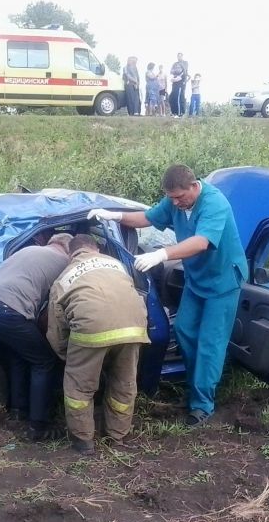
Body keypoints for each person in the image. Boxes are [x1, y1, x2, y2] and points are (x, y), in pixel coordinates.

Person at [89, 164, 247, 427]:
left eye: (180, 197)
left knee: (210, 342)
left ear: (194, 187)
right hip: (197, 280)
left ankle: (202, 406)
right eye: (171, 198)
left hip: (223, 282)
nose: (175, 202)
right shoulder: (175, 202)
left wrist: (161, 254)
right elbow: (147, 218)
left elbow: (201, 242)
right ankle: (199, 383)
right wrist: (113, 215)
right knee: (184, 330)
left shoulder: (214, 203)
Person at [46, 235, 149, 455]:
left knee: (79, 388)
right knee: (124, 384)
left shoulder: (64, 276)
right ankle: (117, 435)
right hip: (134, 328)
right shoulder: (118, 265)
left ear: (70, 254)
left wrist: (67, 355)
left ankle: (84, 441)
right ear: (97, 248)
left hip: (91, 330)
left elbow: (57, 325)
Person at [0, 233, 73, 441]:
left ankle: (18, 411)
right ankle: (38, 426)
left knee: (19, 355)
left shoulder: (28, 250)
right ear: (68, 249)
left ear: (51, 242)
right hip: (7, 308)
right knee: (44, 361)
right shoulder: (64, 262)